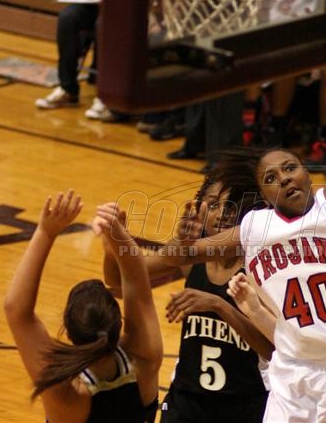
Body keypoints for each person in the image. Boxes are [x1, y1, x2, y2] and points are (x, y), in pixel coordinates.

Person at [162, 64, 326, 422]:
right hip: (294, 371)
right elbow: (180, 255)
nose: (285, 178)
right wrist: (182, 240)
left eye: (290, 168)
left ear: (307, 171)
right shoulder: (254, 227)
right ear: (263, 194)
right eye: (271, 178)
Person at [101, 173, 273, 423]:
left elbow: (273, 348)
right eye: (213, 205)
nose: (221, 213)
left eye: (231, 205)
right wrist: (114, 246)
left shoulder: (261, 268)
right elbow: (118, 278)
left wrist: (217, 305)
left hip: (244, 404)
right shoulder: (189, 258)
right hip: (186, 401)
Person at [3, 190, 161, 423]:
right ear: (119, 324)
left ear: (68, 330)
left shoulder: (68, 392)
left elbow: (15, 309)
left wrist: (45, 231)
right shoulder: (144, 360)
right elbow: (137, 283)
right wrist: (118, 238)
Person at [36, 0, 100, 109]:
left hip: (119, 8)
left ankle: (109, 98)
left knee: (104, 24)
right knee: (67, 17)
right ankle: (68, 89)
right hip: (94, 5)